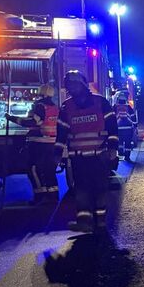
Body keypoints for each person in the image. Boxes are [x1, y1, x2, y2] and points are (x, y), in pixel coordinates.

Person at [55, 71, 118, 233]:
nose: (72, 88)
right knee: (81, 189)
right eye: (69, 85)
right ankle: (84, 221)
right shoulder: (66, 107)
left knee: (100, 188)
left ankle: (100, 221)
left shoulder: (101, 102)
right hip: (78, 158)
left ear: (83, 85)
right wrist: (57, 153)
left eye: (74, 84)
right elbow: (61, 132)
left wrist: (113, 148)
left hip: (99, 156)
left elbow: (112, 127)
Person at [6, 84, 60, 204]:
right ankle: (53, 195)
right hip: (52, 142)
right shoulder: (54, 107)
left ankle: (40, 195)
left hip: (39, 143)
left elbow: (32, 122)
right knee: (49, 170)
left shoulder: (40, 106)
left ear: (42, 94)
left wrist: (12, 118)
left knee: (33, 169)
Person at [113, 91, 138, 160]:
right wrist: (135, 127)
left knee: (120, 142)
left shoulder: (115, 107)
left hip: (118, 129)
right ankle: (127, 157)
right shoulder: (128, 107)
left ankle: (120, 155)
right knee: (128, 143)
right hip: (128, 129)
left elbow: (111, 118)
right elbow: (133, 118)